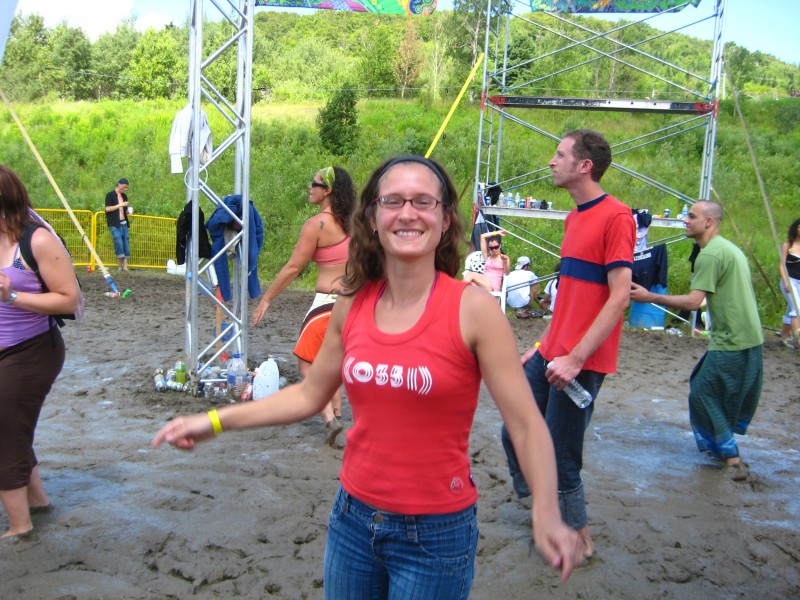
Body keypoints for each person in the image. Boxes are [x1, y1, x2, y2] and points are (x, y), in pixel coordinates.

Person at [153, 155, 583, 597]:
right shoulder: (351, 302)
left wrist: (546, 511)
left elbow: (526, 424)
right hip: (352, 523)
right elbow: (307, 395)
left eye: (423, 201)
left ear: (445, 219)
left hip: (436, 535)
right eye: (392, 201)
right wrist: (215, 421)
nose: (407, 213)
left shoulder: (473, 310)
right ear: (373, 218)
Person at [501, 129, 635, 560]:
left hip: (583, 362)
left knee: (560, 454)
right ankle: (544, 506)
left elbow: (619, 297)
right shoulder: (574, 218)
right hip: (550, 351)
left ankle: (579, 540)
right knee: (514, 430)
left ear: (584, 165)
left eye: (559, 155)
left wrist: (575, 358)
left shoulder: (617, 217)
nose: (551, 161)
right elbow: (572, 301)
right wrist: (543, 345)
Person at [631, 200, 764, 482]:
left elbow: (694, 302)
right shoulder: (726, 248)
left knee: (702, 392)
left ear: (709, 222)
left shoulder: (711, 254)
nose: (685, 221)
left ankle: (731, 458)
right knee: (708, 387)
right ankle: (721, 449)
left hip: (733, 338)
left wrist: (649, 296)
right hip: (747, 336)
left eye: (691, 216)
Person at [0, 165, 82, 541]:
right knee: (11, 428)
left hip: (32, 351)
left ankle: (20, 527)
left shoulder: (36, 240)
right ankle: (37, 502)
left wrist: (12, 295)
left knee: (5, 433)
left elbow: (68, 299)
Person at [251, 167, 355, 447]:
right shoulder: (353, 225)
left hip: (326, 304)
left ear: (328, 191)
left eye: (314, 184)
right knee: (332, 362)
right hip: (352, 304)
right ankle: (336, 414)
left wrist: (267, 298)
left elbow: (294, 267)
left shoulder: (317, 225)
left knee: (306, 361)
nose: (310, 187)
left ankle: (328, 418)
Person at [779, 218, 800, 349]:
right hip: (789, 280)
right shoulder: (788, 245)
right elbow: (781, 265)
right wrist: (786, 281)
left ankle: (784, 339)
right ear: (796, 228)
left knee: (791, 309)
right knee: (797, 308)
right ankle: (798, 340)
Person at [104, 178, 131, 272]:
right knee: (118, 242)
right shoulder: (110, 195)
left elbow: (124, 209)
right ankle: (119, 265)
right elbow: (107, 209)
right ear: (119, 185)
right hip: (114, 223)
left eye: (126, 188)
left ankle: (125, 266)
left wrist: (128, 210)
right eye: (124, 187)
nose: (125, 189)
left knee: (126, 242)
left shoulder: (124, 196)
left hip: (124, 222)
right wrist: (120, 205)